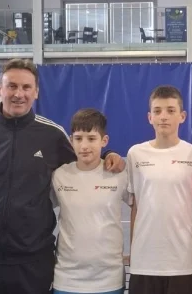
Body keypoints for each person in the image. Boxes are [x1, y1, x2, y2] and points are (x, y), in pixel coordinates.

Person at [0, 58, 125, 294]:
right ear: (0, 89)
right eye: (12, 86)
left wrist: (109, 154)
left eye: (26, 87)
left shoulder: (53, 135)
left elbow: (84, 157)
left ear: (36, 92)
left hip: (34, 264)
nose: (19, 94)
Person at [127, 85, 192, 294]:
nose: (163, 116)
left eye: (171, 110)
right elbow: (135, 207)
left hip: (184, 263)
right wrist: (134, 252)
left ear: (182, 116)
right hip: (144, 263)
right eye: (157, 111)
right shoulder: (135, 154)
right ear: (149, 117)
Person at [51, 108, 131, 294]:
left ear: (104, 141)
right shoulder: (59, 176)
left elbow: (142, 208)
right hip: (66, 279)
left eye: (92, 138)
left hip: (109, 279)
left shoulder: (119, 175)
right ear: (71, 140)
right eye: (78, 138)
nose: (84, 145)